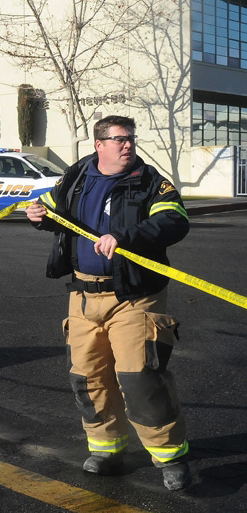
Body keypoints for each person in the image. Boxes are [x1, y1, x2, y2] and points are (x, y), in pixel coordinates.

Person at [25, 115, 192, 491]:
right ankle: (107, 449)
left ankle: (170, 456)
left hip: (135, 296)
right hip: (83, 297)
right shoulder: (78, 177)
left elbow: (174, 221)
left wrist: (125, 236)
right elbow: (54, 210)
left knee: (139, 378)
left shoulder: (150, 182)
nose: (128, 145)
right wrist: (38, 215)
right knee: (87, 376)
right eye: (120, 139)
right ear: (99, 144)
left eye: (131, 138)